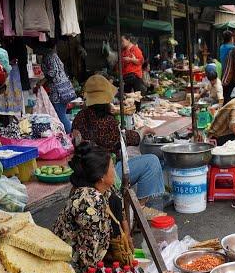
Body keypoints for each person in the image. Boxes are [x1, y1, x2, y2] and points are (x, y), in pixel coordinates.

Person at [71, 75, 167, 210]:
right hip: (104, 173)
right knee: (152, 162)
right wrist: (142, 131)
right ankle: (140, 209)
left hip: (85, 172)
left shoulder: (79, 117)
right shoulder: (106, 121)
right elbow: (123, 139)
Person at [52, 141, 117, 273]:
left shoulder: (101, 190)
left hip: (87, 258)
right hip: (70, 268)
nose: (114, 171)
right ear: (102, 177)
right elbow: (87, 257)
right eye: (112, 167)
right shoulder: (90, 201)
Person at [38, 38, 76, 134]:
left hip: (59, 91)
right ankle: (70, 134)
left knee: (60, 115)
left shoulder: (49, 56)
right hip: (63, 89)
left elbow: (53, 72)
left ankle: (70, 135)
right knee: (61, 114)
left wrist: (42, 81)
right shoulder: (53, 55)